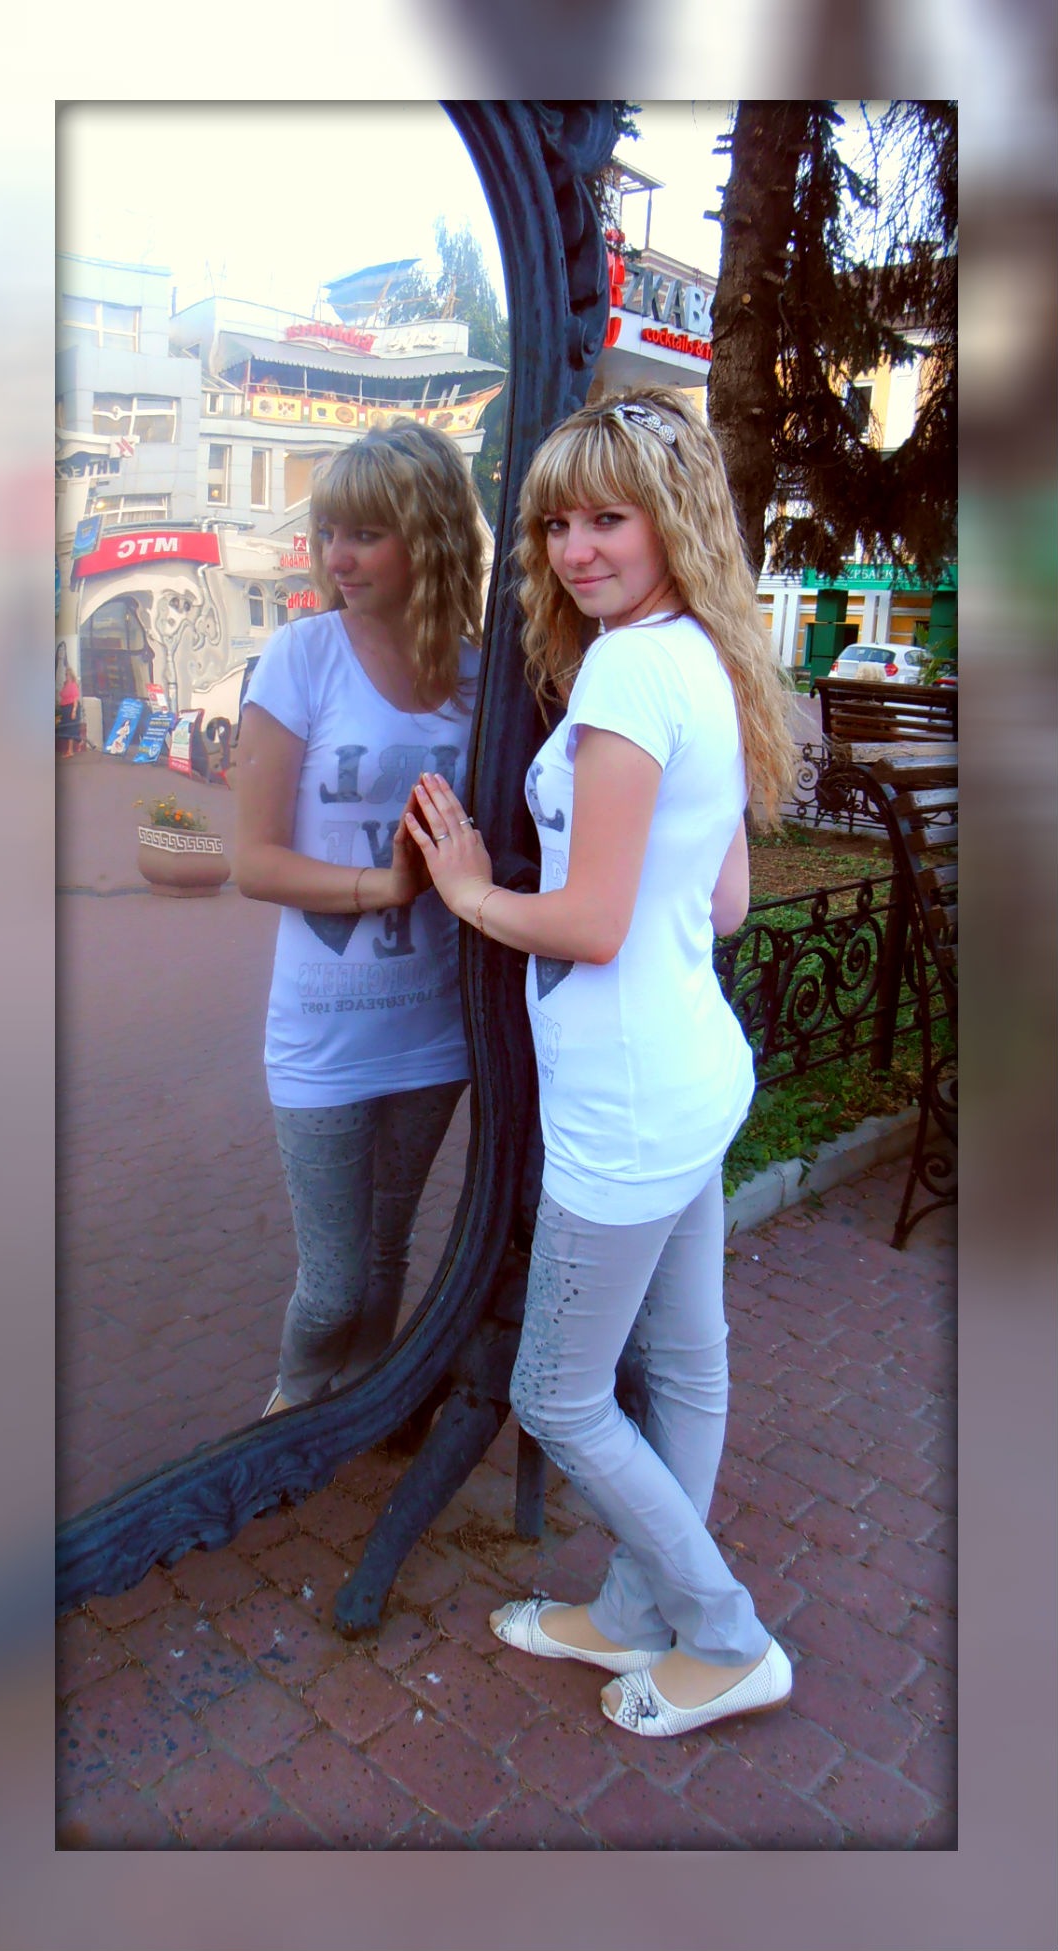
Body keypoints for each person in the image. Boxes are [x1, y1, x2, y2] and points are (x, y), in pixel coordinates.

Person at [404, 386, 797, 1740]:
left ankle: (723, 1634)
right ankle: (635, 1609)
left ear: (670, 520)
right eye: (555, 525)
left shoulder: (630, 671)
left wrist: (468, 889)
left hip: (626, 1106)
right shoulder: (704, 656)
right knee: (684, 1367)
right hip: (691, 1075)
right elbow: (724, 904)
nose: (574, 551)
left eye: (605, 520)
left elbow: (590, 923)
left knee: (558, 1394)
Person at [236, 422, 486, 1416]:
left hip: (433, 1021)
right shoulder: (300, 657)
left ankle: (362, 1414)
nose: (336, 556)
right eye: (328, 532)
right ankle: (288, 1421)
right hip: (323, 1029)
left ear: (428, 537)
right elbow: (253, 861)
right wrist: (382, 887)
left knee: (388, 1252)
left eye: (365, 534)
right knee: (332, 1281)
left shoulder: (479, 676)